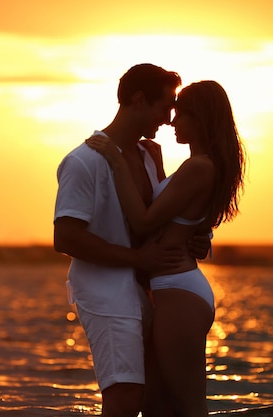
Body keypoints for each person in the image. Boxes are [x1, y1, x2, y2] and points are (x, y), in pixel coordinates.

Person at [53, 64, 210, 417]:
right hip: (105, 292)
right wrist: (139, 260)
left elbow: (161, 218)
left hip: (146, 291)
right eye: (166, 105)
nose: (170, 118)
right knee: (124, 397)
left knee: (160, 399)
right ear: (139, 100)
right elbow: (65, 237)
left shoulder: (147, 156)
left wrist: (199, 239)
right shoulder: (84, 161)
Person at [86, 80, 246, 417]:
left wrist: (116, 162)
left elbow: (145, 222)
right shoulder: (194, 167)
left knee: (189, 407)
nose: (173, 122)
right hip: (171, 290)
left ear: (200, 119)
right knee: (158, 407)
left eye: (181, 114)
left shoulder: (199, 167)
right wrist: (156, 168)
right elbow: (171, 213)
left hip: (179, 291)